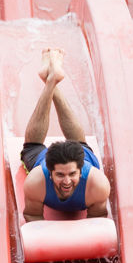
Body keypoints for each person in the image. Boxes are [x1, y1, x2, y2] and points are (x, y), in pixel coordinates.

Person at [20, 48, 110, 222]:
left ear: (80, 169)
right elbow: (32, 216)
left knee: (79, 143)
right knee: (32, 148)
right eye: (60, 175)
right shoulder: (36, 181)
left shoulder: (97, 184)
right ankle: (51, 78)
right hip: (46, 160)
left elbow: (98, 222)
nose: (67, 181)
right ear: (50, 172)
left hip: (81, 155)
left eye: (72, 174)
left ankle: (51, 80)